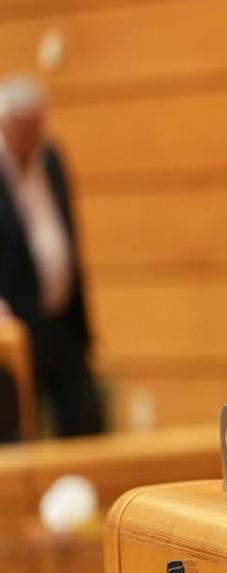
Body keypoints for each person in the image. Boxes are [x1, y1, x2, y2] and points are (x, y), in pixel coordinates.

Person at [0, 76, 104, 439]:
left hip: (63, 322)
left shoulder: (52, 158)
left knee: (86, 419)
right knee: (17, 431)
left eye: (38, 126)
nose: (34, 137)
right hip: (14, 323)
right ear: (5, 124)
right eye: (25, 128)